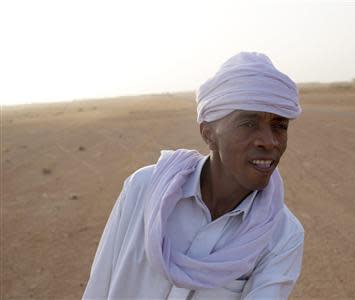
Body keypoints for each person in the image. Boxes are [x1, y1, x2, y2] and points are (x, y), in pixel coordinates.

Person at [83, 52, 304, 299]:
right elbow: (99, 285)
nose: (270, 141)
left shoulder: (282, 235)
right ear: (209, 134)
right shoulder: (143, 189)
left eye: (280, 126)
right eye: (248, 123)